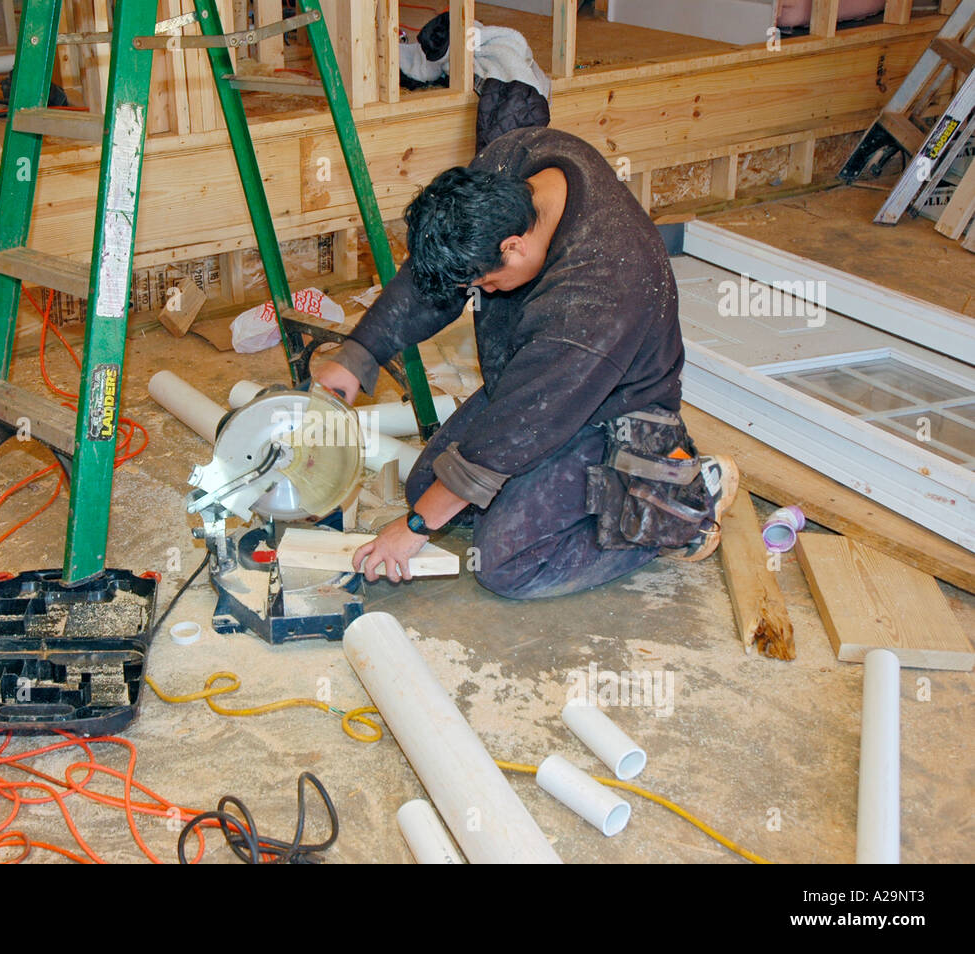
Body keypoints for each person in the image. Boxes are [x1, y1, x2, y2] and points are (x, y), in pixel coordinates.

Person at [313, 90, 737, 599]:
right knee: (429, 490)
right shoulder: (512, 165)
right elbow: (439, 278)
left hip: (613, 410)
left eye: (487, 283)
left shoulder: (601, 287)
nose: (483, 292)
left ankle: (675, 505)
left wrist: (415, 530)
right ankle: (611, 495)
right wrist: (358, 357)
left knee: (506, 564)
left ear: (513, 247)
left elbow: (517, 430)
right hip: (531, 381)